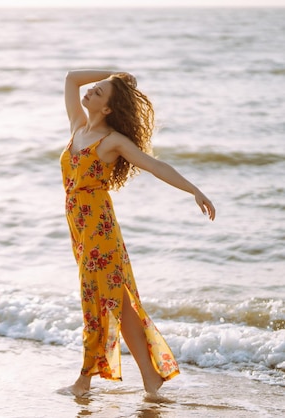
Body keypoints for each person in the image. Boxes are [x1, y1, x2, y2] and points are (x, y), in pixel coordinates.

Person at [61, 69, 216, 397]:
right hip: (80, 230)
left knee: (96, 299)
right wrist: (116, 75)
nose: (89, 93)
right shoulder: (77, 126)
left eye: (98, 93)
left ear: (107, 110)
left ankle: (84, 379)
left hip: (100, 231)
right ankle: (150, 378)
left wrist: (194, 190)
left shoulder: (112, 141)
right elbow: (72, 78)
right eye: (94, 90)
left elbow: (155, 165)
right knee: (120, 301)